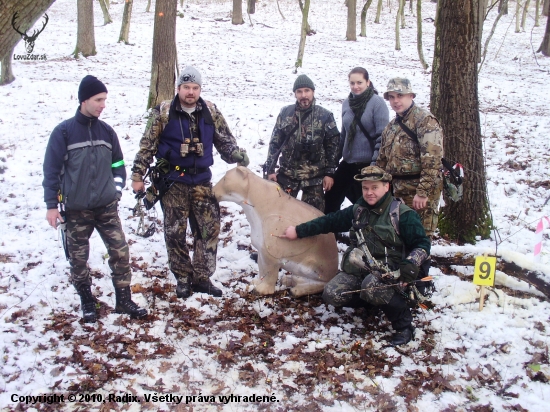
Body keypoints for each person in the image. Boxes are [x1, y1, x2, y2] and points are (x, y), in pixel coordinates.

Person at [131, 66, 249, 299]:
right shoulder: (163, 113)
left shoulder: (210, 112)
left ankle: (202, 278)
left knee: (209, 230)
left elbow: (225, 141)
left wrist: (235, 154)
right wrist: (137, 175)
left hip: (202, 182)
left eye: (195, 88)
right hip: (173, 182)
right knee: (175, 233)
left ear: (200, 89)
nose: (191, 92)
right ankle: (183, 278)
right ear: (178, 89)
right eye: (186, 87)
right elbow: (147, 146)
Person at [280, 166, 431, 346]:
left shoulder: (403, 215)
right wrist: (298, 231)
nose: (369, 193)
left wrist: (411, 264)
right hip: (361, 273)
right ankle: (374, 303)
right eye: (365, 188)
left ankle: (404, 325)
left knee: (372, 286)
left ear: (386, 187)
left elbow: (423, 244)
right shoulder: (358, 211)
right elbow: (329, 221)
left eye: (375, 188)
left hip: (394, 277)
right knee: (332, 293)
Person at [43, 75, 147, 323]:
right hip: (76, 210)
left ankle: (123, 301)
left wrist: (116, 190)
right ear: (84, 100)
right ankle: (87, 302)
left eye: (105, 100)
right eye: (99, 99)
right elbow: (52, 171)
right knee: (78, 260)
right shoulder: (64, 132)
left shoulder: (107, 132)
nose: (103, 105)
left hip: (106, 208)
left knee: (120, 253)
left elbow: (119, 164)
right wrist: (51, 206)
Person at [376, 77, 443, 237]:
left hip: (419, 191)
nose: (395, 101)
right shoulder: (391, 127)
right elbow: (382, 160)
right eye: (391, 97)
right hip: (398, 192)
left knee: (420, 238)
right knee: (401, 236)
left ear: (410, 96)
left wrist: (423, 192)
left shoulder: (425, 121)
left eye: (400, 96)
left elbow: (432, 161)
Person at [264, 74, 340, 212]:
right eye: (299, 91)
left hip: (314, 178)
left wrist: (330, 173)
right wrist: (270, 170)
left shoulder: (325, 116)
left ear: (313, 92)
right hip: (287, 175)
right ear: (295, 94)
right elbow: (275, 143)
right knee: (278, 213)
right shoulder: (285, 113)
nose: (303, 95)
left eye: (307, 91)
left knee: (314, 219)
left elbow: (333, 146)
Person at [324, 67, 389, 214]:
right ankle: (330, 235)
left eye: (359, 82)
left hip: (368, 164)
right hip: (348, 163)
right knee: (330, 199)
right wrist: (332, 166)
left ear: (368, 82)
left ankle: (365, 236)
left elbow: (382, 139)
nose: (356, 86)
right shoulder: (347, 103)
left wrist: (373, 169)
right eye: (352, 83)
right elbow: (344, 136)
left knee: (366, 207)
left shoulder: (377, 103)